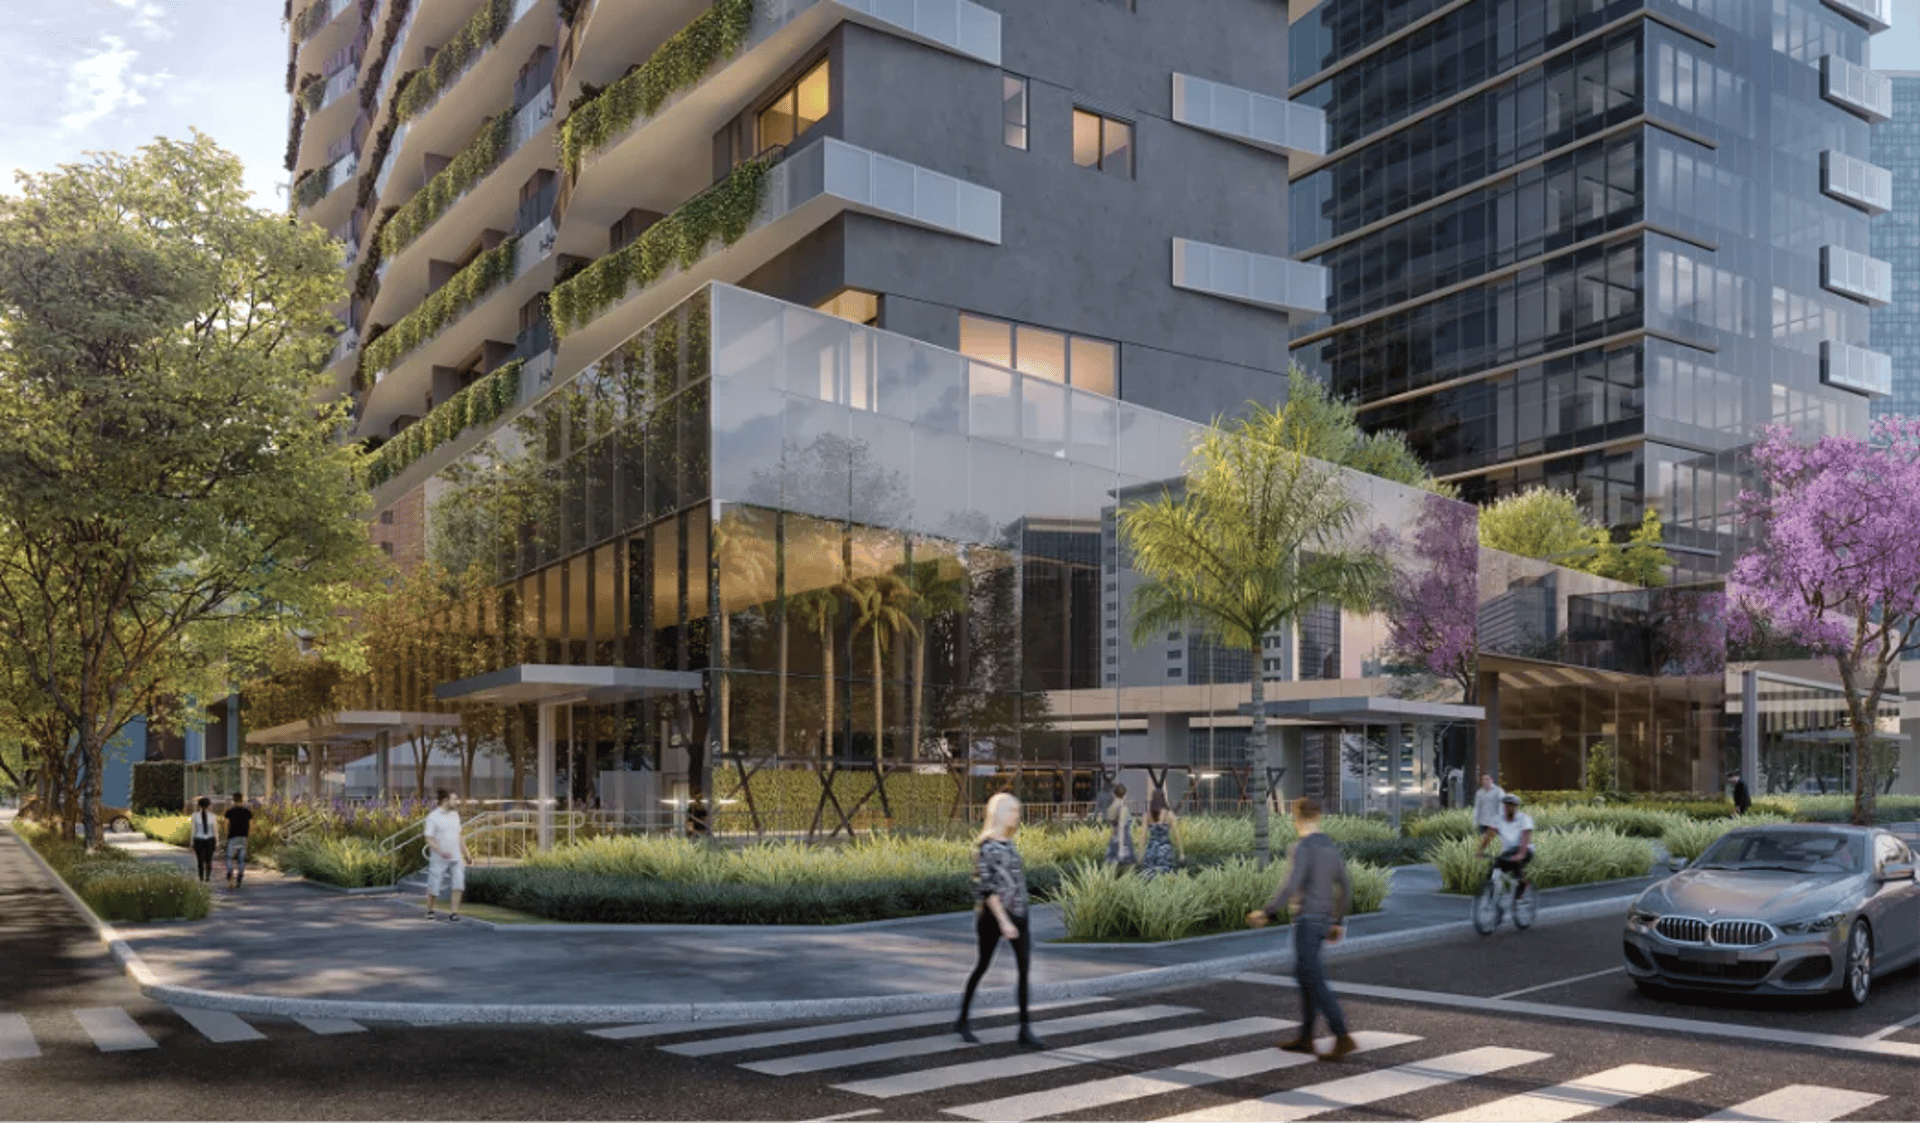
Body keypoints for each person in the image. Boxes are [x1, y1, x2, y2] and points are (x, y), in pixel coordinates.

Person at [1248, 797, 1356, 1061]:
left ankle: (1342, 1035)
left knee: (1312, 977)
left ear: (1297, 818)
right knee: (1307, 975)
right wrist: (1338, 922)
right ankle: (1307, 1037)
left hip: (1307, 921)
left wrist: (1268, 912)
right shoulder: (1329, 846)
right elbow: (1345, 886)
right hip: (1323, 921)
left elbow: (1291, 884)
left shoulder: (1302, 847)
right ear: (1317, 817)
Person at [956, 792, 1045, 1049]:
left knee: (1024, 971)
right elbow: (986, 888)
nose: (1017, 816)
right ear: (999, 813)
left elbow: (1015, 880)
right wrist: (1004, 921)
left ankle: (1024, 1030)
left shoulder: (1009, 842)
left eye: (1017, 811)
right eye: (1012, 811)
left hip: (1020, 915)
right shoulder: (986, 846)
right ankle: (962, 1019)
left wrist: (1021, 912)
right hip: (993, 919)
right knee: (982, 966)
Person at [1474, 792, 1534, 901]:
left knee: (1516, 867)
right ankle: (1492, 901)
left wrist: (1521, 854)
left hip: (1525, 850)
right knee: (1493, 871)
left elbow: (1526, 837)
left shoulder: (1524, 819)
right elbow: (1489, 835)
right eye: (1506, 805)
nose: (1509, 807)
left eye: (1512, 805)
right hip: (1508, 852)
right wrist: (1480, 850)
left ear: (1516, 806)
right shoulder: (1498, 819)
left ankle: (1523, 885)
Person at [423, 789, 471, 921]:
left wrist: (466, 854)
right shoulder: (433, 817)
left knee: (458, 885)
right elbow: (429, 838)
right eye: (454, 799)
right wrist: (440, 851)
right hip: (439, 858)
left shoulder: (455, 815)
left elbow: (459, 836)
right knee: (434, 886)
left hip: (456, 858)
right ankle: (431, 910)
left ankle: (454, 913)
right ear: (445, 800)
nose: (456, 802)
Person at [1138, 785, 1182, 880]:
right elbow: (1176, 836)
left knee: (1149, 876)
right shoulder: (1169, 815)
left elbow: (1143, 836)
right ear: (1163, 798)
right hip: (1165, 850)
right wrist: (1181, 853)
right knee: (1165, 876)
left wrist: (1140, 853)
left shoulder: (1147, 815)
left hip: (1151, 849)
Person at [222, 793, 253, 889]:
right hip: (243, 837)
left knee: (229, 857)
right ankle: (240, 875)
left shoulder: (230, 811)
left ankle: (230, 871)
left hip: (232, 837)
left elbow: (226, 824)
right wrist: (248, 835)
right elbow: (251, 825)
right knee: (241, 859)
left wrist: (226, 835)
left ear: (233, 800)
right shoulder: (247, 811)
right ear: (242, 799)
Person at [1103, 782, 1135, 868]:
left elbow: (1113, 827)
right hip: (1124, 840)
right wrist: (1121, 849)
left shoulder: (1110, 808)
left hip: (1113, 839)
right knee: (1129, 868)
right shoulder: (1123, 808)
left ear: (1114, 794)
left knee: (1111, 868)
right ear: (1125, 794)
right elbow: (1121, 827)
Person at [189, 796, 219, 883]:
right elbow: (215, 830)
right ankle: (206, 877)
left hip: (200, 839)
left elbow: (193, 830)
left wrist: (191, 842)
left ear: (199, 805)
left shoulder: (195, 815)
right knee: (206, 859)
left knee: (202, 860)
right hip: (207, 839)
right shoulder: (212, 816)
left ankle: (203, 877)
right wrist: (217, 842)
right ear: (209, 805)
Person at [1471, 773, 1506, 838]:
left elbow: (1503, 806)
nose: (1485, 781)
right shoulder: (1479, 793)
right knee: (1483, 843)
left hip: (1495, 823)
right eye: (1483, 779)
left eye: (1487, 779)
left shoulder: (1498, 791)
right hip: (1483, 823)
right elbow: (1477, 808)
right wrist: (1475, 821)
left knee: (1496, 843)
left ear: (1492, 780)